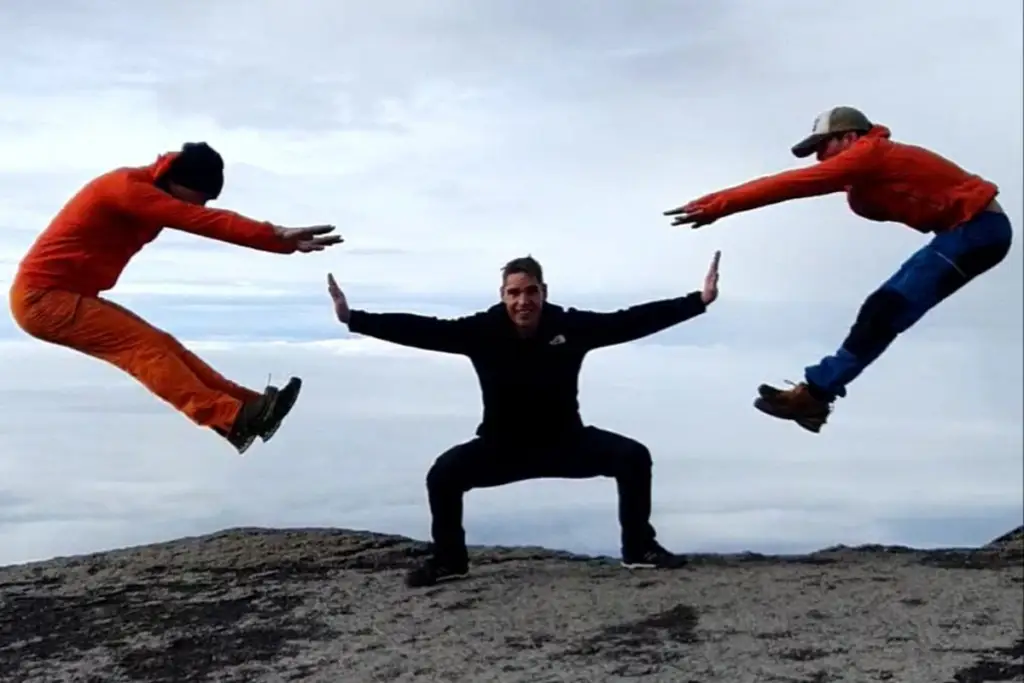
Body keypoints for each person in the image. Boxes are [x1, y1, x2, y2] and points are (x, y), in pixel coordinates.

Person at [326, 250, 721, 587]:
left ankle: (639, 548)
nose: (523, 301)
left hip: (566, 444)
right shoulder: (483, 330)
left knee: (633, 457)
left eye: (531, 291)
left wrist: (696, 301)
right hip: (503, 447)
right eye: (514, 293)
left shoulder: (568, 325)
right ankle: (450, 560)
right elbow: (424, 330)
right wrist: (355, 319)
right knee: (444, 474)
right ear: (503, 296)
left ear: (544, 293)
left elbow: (626, 321)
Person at [663, 106, 1013, 434]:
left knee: (885, 311)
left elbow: (792, 184)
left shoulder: (872, 152)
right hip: (963, 233)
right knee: (880, 310)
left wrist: (715, 205)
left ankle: (814, 395)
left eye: (823, 146)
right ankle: (816, 397)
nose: (819, 157)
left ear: (849, 137)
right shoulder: (866, 171)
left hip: (979, 231)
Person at [9, 142, 343, 455]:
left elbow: (201, 216)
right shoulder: (127, 188)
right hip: (43, 300)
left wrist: (276, 238)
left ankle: (251, 407)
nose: (199, 206)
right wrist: (275, 236)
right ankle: (233, 418)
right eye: (198, 197)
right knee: (145, 351)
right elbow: (204, 222)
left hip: (64, 297)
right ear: (178, 181)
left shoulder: (151, 189)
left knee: (164, 346)